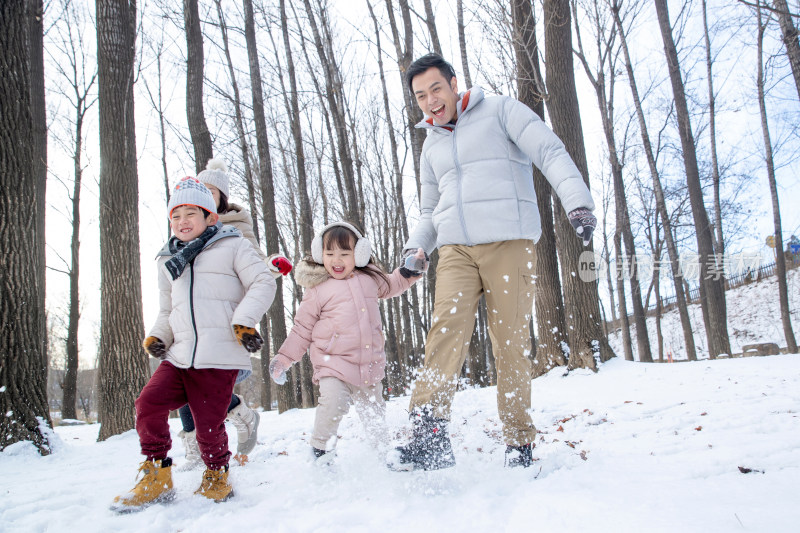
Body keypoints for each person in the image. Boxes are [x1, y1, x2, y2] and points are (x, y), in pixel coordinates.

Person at [388, 54, 597, 471]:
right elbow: (430, 209)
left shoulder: (500, 111)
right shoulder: (432, 143)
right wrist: (416, 249)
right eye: (420, 96)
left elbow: (550, 151)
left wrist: (577, 203)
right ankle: (430, 435)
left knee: (510, 344)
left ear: (453, 84)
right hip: (455, 252)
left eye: (436, 89)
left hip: (508, 242)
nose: (430, 101)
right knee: (443, 334)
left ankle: (519, 442)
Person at [111, 176, 276, 512]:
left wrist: (243, 321)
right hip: (180, 354)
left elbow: (262, 281)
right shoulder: (167, 260)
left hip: (219, 354)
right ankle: (156, 476)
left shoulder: (232, 245)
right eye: (176, 215)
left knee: (207, 424)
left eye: (191, 213)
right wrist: (160, 336)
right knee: (148, 404)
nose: (182, 222)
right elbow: (167, 309)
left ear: (210, 217)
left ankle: (217, 475)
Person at [268, 221, 425, 464]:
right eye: (329, 253)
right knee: (333, 403)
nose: (336, 259)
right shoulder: (318, 288)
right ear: (321, 255)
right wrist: (284, 358)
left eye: (344, 253)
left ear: (359, 253)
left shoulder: (370, 279)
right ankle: (321, 450)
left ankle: (382, 457)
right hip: (333, 365)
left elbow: (394, 283)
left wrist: (409, 271)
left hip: (368, 366)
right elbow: (302, 329)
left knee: (374, 414)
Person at [176, 158, 293, 470]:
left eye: (211, 191)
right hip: (194, 316)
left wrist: (272, 266)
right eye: (201, 189)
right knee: (185, 379)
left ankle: (239, 414)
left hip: (226, 315)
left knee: (204, 382)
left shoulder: (237, 227)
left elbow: (254, 264)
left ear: (222, 197)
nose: (205, 195)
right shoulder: (189, 226)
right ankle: (195, 443)